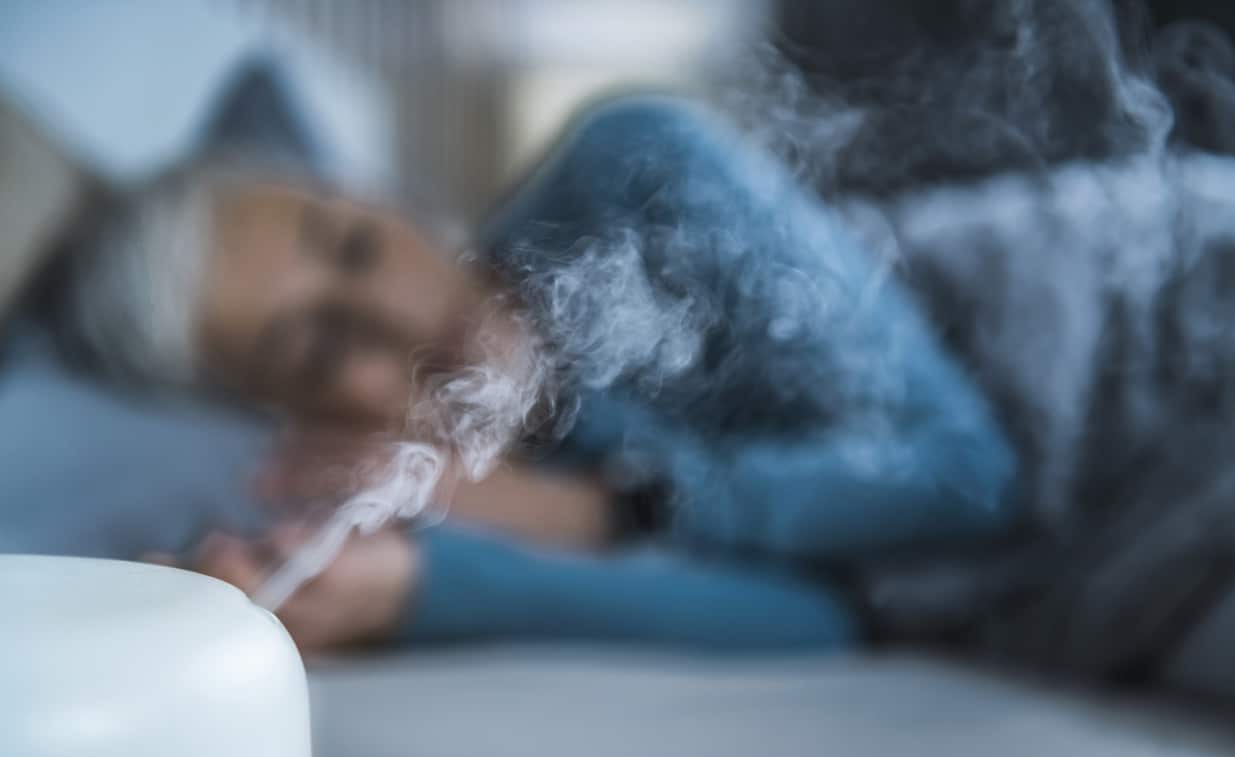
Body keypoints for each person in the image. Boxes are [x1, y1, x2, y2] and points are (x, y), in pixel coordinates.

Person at [48, 96, 1020, 653]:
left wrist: (606, 509)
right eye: (320, 346)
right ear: (284, 413)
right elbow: (825, 622)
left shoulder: (635, 172)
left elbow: (967, 477)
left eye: (354, 246)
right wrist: (423, 590)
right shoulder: (422, 506)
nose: (403, 312)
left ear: (375, 198)